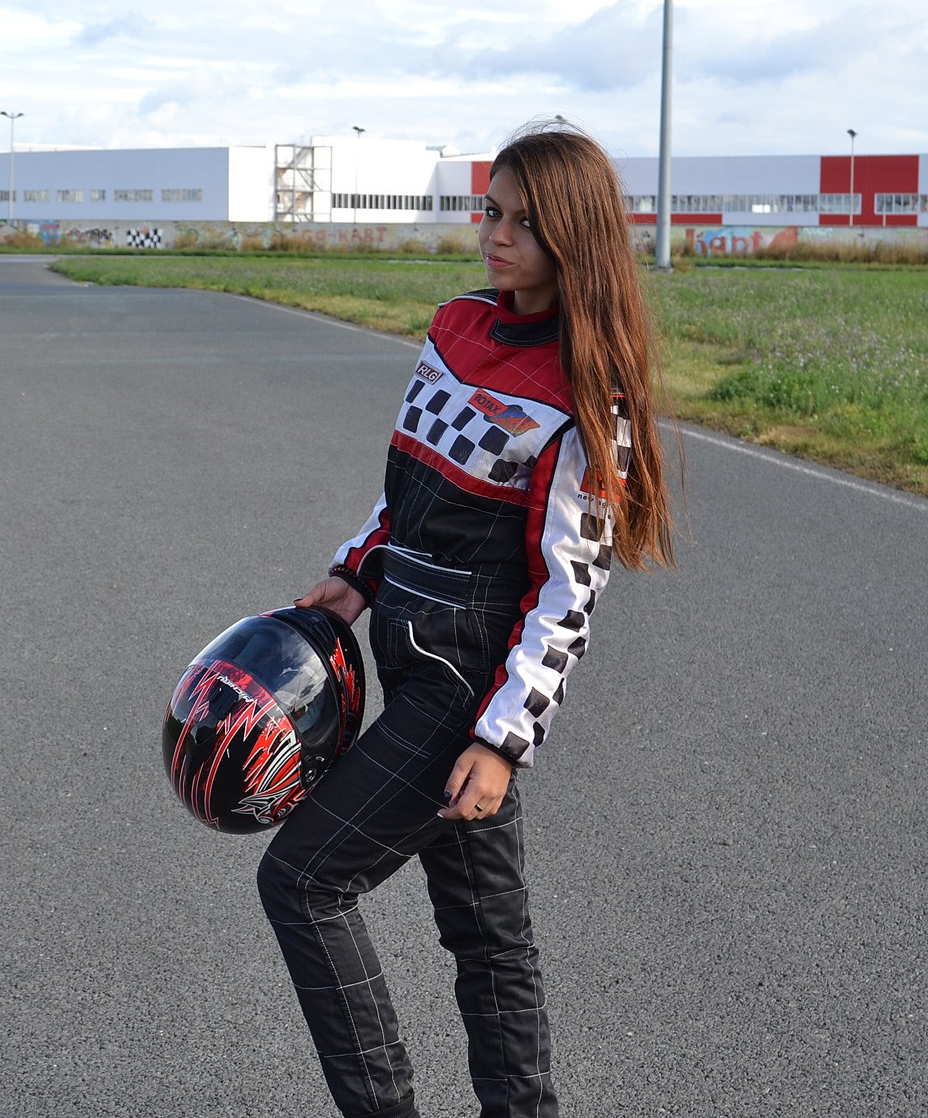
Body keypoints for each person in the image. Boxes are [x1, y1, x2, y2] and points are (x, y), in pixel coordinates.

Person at [259, 122, 677, 1118]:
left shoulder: (589, 393)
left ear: (574, 236)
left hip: (463, 687)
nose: (496, 234)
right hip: (403, 643)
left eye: (525, 222)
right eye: (492, 211)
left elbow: (568, 595)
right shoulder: (454, 327)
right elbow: (409, 482)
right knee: (488, 936)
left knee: (304, 882)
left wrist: (499, 742)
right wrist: (356, 573)